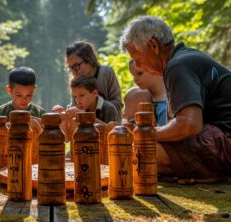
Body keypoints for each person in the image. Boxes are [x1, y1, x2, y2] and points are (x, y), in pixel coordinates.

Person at [120, 15, 231, 182]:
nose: (139, 65)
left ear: (153, 45)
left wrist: (146, 134)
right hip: (219, 138)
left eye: (137, 59)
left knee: (140, 153)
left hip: (225, 140)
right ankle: (207, 174)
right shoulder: (184, 58)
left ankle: (214, 174)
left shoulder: (177, 65)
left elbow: (189, 125)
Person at [53, 40, 122, 122]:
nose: (74, 72)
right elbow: (75, 105)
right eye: (70, 68)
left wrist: (95, 107)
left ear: (89, 60)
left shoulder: (106, 73)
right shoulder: (75, 80)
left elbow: (118, 104)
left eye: (76, 66)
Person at [55, 75, 119, 142]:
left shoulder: (108, 109)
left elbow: (114, 135)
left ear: (94, 93)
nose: (78, 101)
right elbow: (67, 139)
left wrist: (86, 117)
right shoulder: (75, 109)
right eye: (75, 96)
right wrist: (62, 119)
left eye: (81, 95)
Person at [124, 59, 168, 126]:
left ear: (155, 69)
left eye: (140, 73)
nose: (135, 79)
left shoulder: (169, 101)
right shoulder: (139, 96)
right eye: (133, 75)